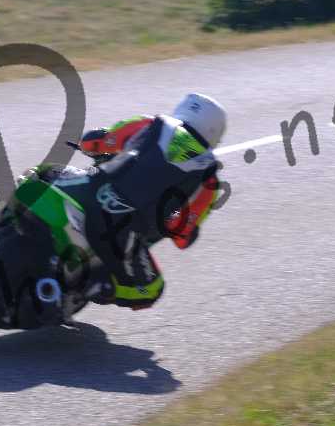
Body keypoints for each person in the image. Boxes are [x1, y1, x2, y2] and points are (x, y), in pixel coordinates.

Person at [73, 92, 226, 310]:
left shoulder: (153, 123)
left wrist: (94, 149)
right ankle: (91, 286)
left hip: (92, 190)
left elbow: (94, 141)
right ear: (215, 132)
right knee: (151, 289)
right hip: (125, 228)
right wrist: (189, 232)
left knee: (50, 175)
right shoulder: (209, 177)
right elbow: (181, 234)